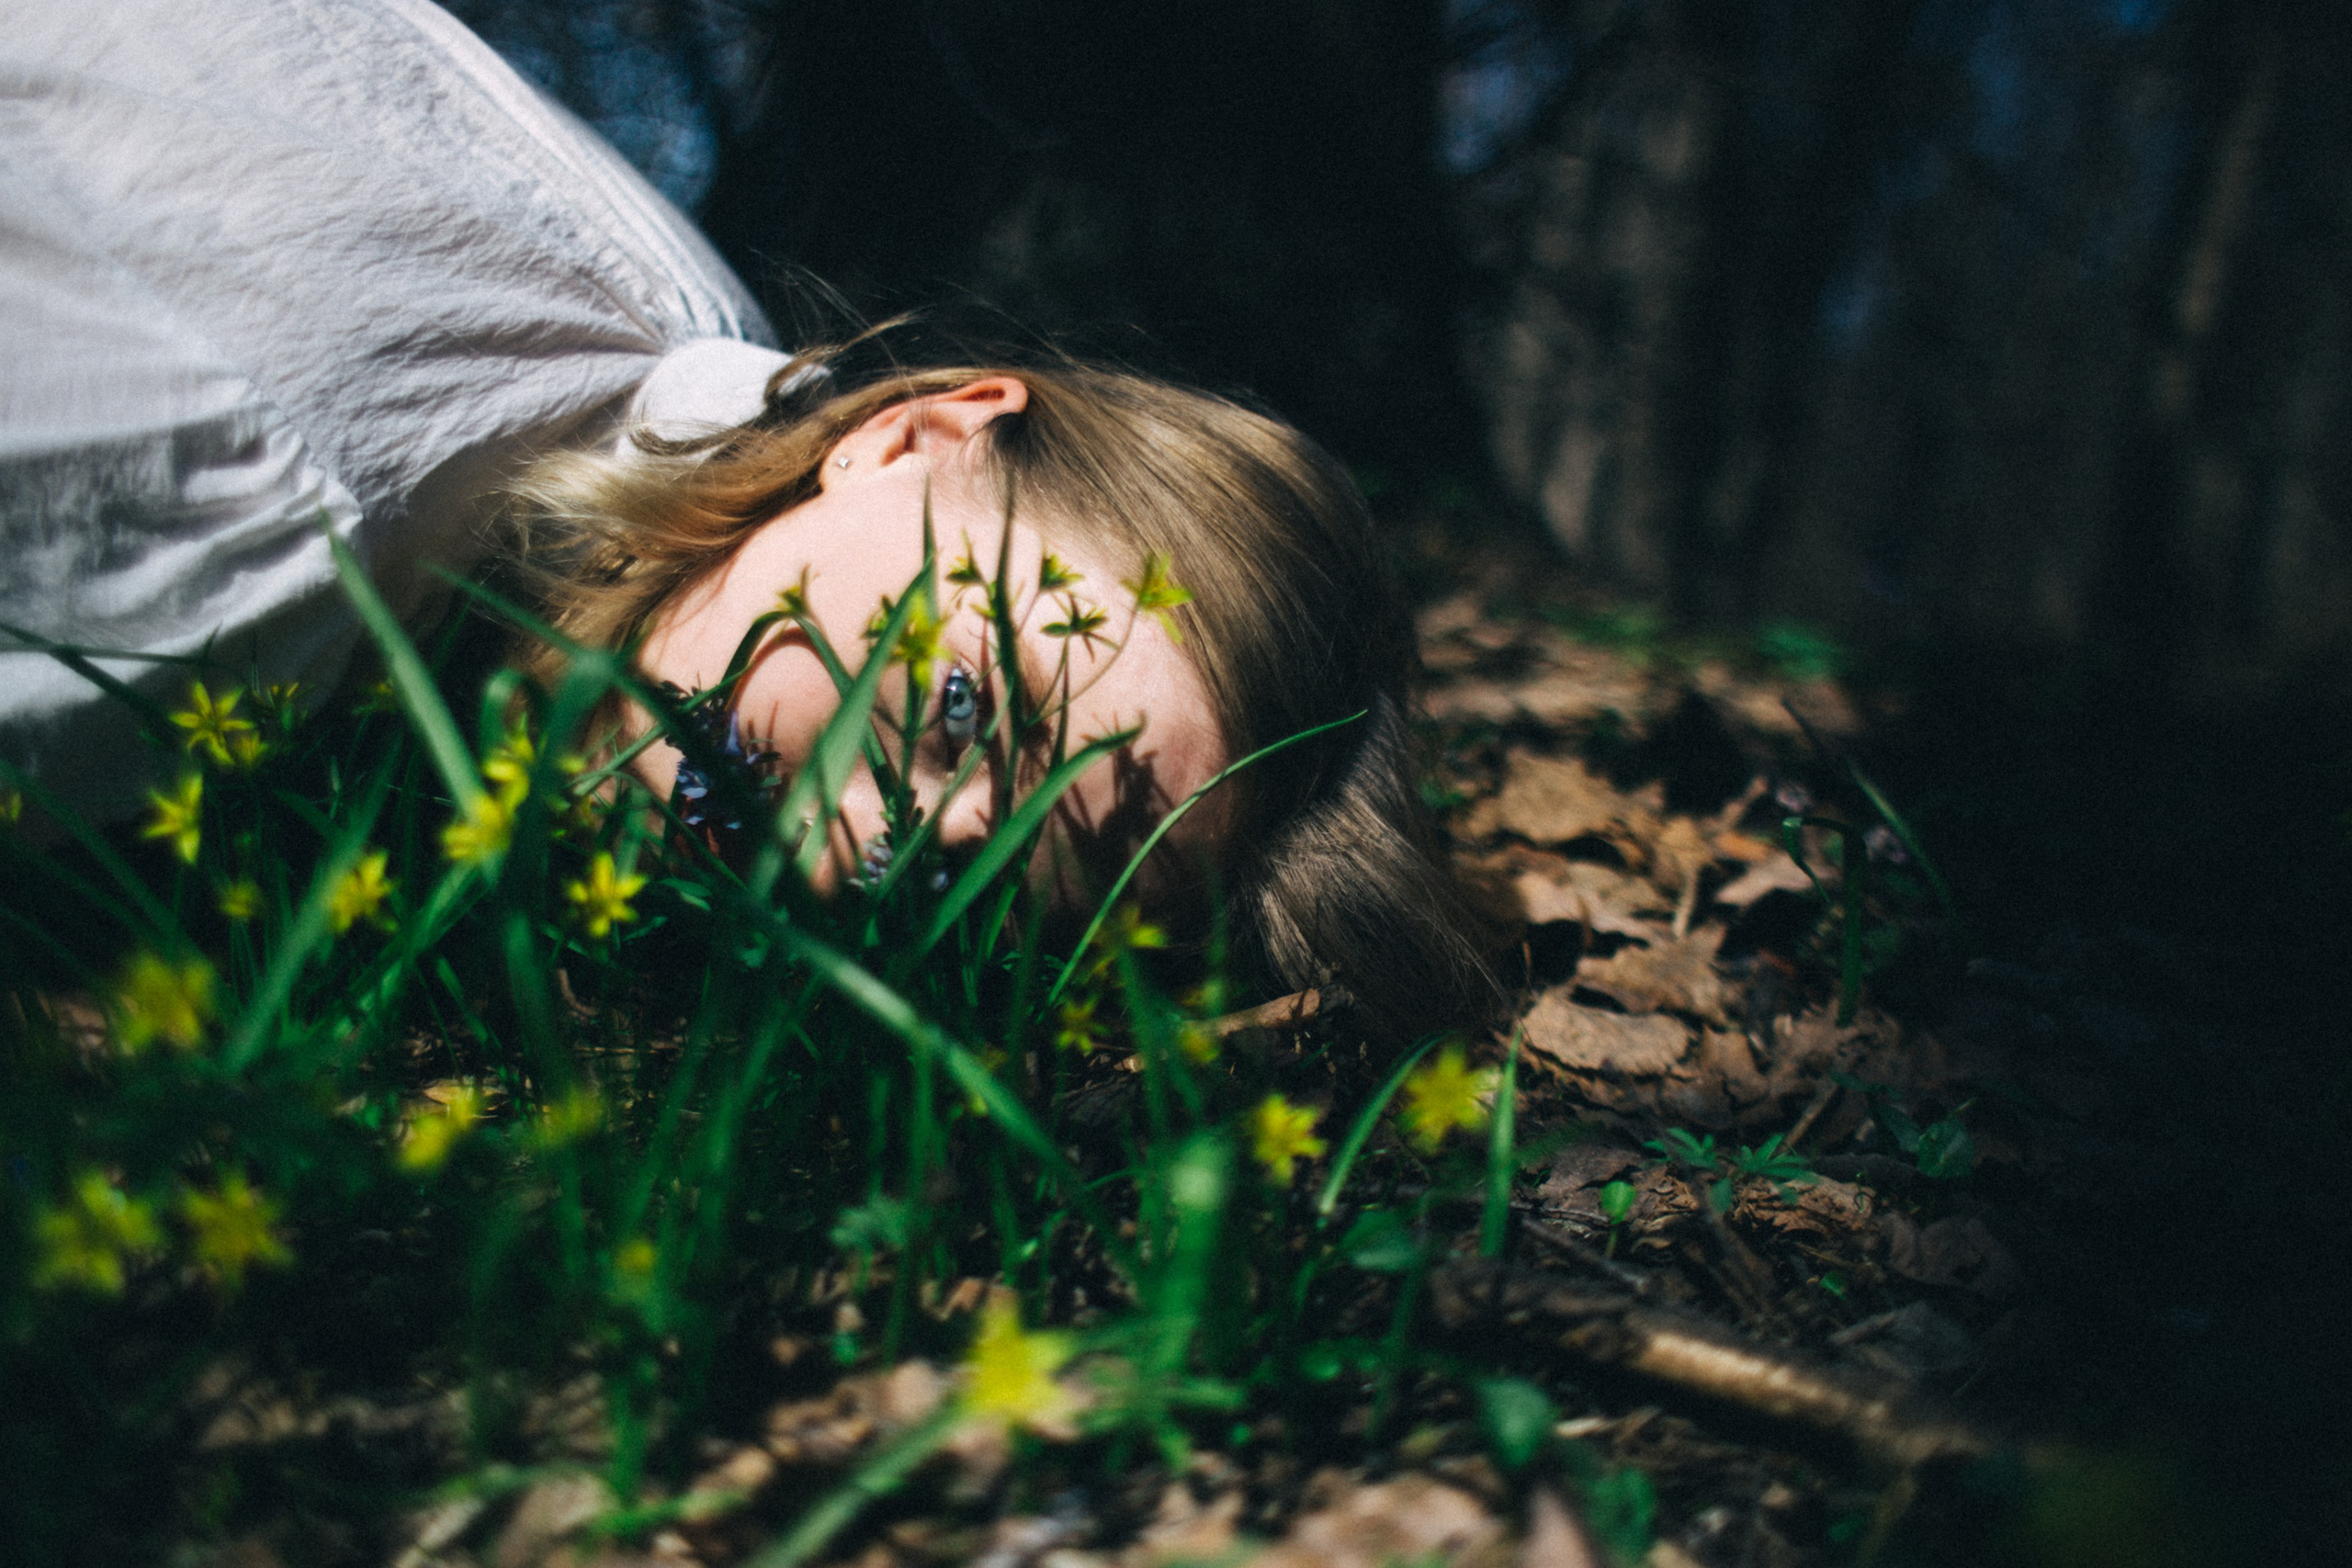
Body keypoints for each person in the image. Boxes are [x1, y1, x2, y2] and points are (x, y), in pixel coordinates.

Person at [0, 0, 1493, 1033]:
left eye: (997, 893)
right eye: (970, 704)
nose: (880, 855)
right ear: (919, 429)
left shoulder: (681, 344)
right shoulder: (234, 552)